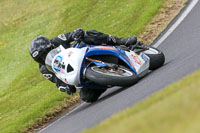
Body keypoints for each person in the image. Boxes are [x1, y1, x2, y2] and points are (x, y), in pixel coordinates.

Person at [29, 28, 139, 101]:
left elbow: (72, 35)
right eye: (41, 58)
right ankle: (105, 80)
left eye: (45, 53)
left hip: (81, 54)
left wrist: (77, 33)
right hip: (76, 73)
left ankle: (121, 41)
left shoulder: (58, 40)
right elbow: (57, 82)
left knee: (89, 34)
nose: (45, 57)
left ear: (51, 45)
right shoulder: (45, 69)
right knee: (87, 97)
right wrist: (65, 87)